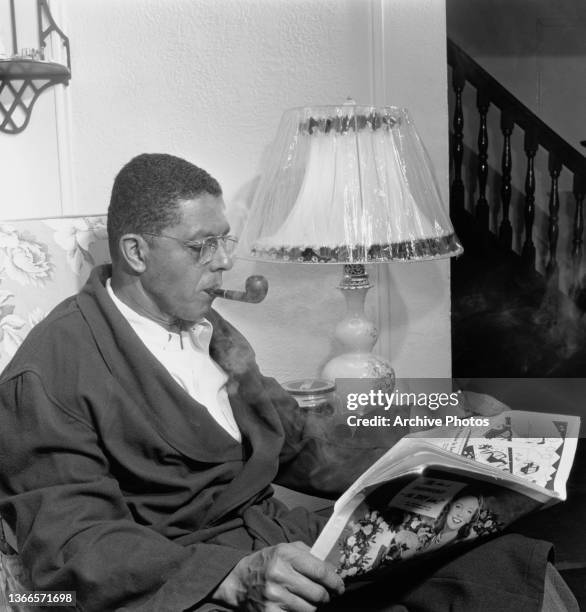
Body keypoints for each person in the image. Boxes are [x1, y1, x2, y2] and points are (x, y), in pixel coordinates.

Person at [0, 154, 577, 611]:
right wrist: (228, 577)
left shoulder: (206, 328)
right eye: (204, 246)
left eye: (225, 240)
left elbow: (304, 442)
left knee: (513, 576)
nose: (225, 262)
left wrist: (452, 425)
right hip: (191, 577)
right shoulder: (52, 369)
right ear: (135, 253)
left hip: (288, 542)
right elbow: (73, 548)